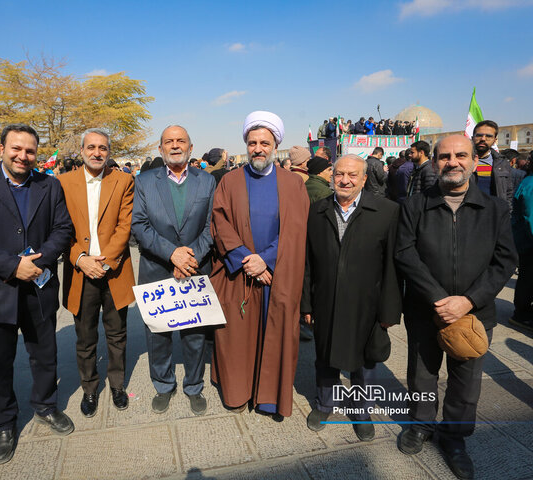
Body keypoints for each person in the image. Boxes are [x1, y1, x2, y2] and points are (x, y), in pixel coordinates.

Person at [395, 134, 517, 480]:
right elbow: (405, 254)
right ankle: (420, 425)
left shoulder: (494, 208)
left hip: (475, 314)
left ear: (473, 160)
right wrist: (438, 298)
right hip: (424, 310)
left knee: (466, 382)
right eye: (445, 156)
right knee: (421, 373)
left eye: (460, 155)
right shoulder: (415, 206)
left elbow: (505, 260)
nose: (453, 162)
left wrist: (468, 301)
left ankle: (455, 437)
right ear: (434, 163)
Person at [0, 123, 74, 464]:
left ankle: (45, 405)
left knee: (45, 354)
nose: (23, 156)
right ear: (2, 149)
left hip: (39, 286)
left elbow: (62, 228)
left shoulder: (48, 185)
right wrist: (12, 266)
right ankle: (5, 424)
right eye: (16, 149)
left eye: (29, 150)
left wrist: (39, 261)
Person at [210, 111, 309, 417]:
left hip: (276, 275)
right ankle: (238, 391)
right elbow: (220, 221)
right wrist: (244, 259)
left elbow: (296, 230)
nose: (258, 148)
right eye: (252, 142)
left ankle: (267, 397)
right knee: (238, 335)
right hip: (240, 273)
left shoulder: (293, 184)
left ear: (275, 145)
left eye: (264, 142)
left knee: (274, 332)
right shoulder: (230, 180)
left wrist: (264, 260)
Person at [301, 154, 401, 440]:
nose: (345, 180)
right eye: (340, 174)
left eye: (352, 175)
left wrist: (389, 311)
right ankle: (324, 403)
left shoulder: (386, 211)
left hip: (366, 303)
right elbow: (307, 261)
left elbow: (392, 267)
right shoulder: (317, 210)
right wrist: (306, 302)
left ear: (364, 179)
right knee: (325, 355)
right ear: (332, 176)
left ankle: (361, 410)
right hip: (325, 299)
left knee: (365, 360)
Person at [131, 125, 216, 416]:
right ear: (160, 149)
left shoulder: (207, 181)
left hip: (195, 268)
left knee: (194, 335)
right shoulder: (143, 182)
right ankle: (164, 385)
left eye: (181, 141)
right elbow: (139, 226)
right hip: (157, 268)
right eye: (169, 141)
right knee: (159, 335)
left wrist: (189, 259)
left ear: (191, 148)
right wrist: (172, 255)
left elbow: (211, 227)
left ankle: (194, 386)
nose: (175, 145)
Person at [58, 128, 136, 417]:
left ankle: (117, 385)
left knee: (117, 334)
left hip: (114, 270)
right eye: (91, 147)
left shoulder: (124, 180)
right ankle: (89, 388)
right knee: (85, 336)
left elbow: (124, 227)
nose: (97, 152)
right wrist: (80, 259)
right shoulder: (64, 183)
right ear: (81, 151)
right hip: (81, 272)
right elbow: (61, 229)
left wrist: (104, 262)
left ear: (108, 151)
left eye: (102, 147)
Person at [510, 151, 533, 332]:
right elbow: (530, 218)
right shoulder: (530, 184)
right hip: (528, 242)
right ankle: (522, 314)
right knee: (527, 278)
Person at [472, 120, 513, 209]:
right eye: (479, 135)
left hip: (494, 214)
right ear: (472, 137)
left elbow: (508, 192)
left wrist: (506, 214)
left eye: (488, 136)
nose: (483, 139)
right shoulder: (461, 161)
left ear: (495, 140)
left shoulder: (502, 163)